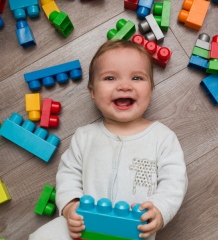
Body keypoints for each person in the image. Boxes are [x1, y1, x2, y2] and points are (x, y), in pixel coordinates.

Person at [29, 40, 188, 240]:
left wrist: (160, 209)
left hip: (134, 231)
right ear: (93, 92)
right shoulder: (84, 136)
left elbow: (174, 182)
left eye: (137, 77)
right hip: (84, 227)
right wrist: (70, 206)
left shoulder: (163, 138)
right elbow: (68, 174)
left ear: (152, 89)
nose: (124, 86)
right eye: (110, 78)